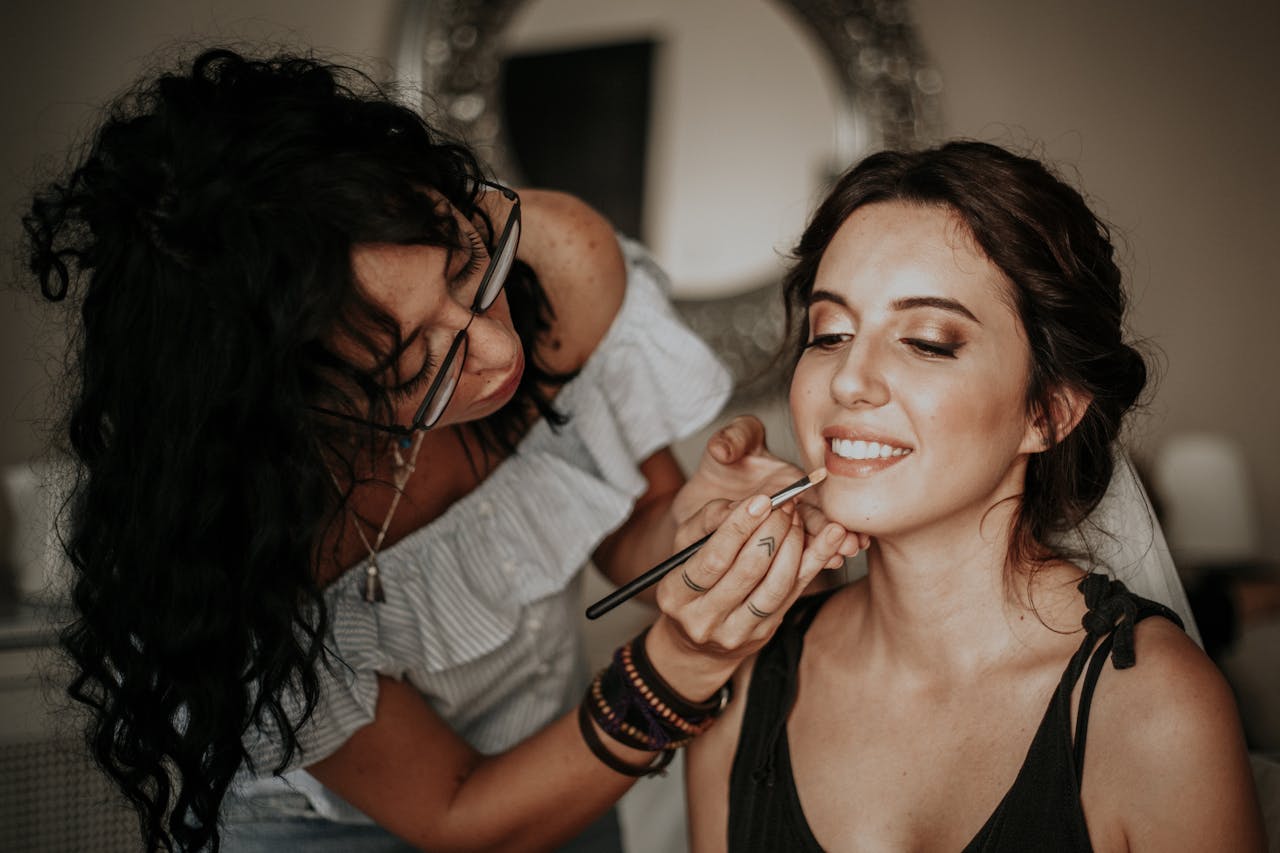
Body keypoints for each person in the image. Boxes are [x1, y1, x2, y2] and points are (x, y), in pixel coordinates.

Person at [21, 47, 864, 852]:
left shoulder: (553, 261)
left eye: (468, 271)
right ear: (291, 411)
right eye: (417, 366)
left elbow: (629, 521)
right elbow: (460, 813)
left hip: (576, 783)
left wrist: (697, 528)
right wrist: (681, 665)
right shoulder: (235, 543)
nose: (500, 355)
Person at [681, 141, 1267, 851]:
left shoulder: (1154, 709)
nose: (847, 380)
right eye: (830, 332)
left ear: (1047, 410)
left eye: (926, 340)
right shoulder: (745, 683)